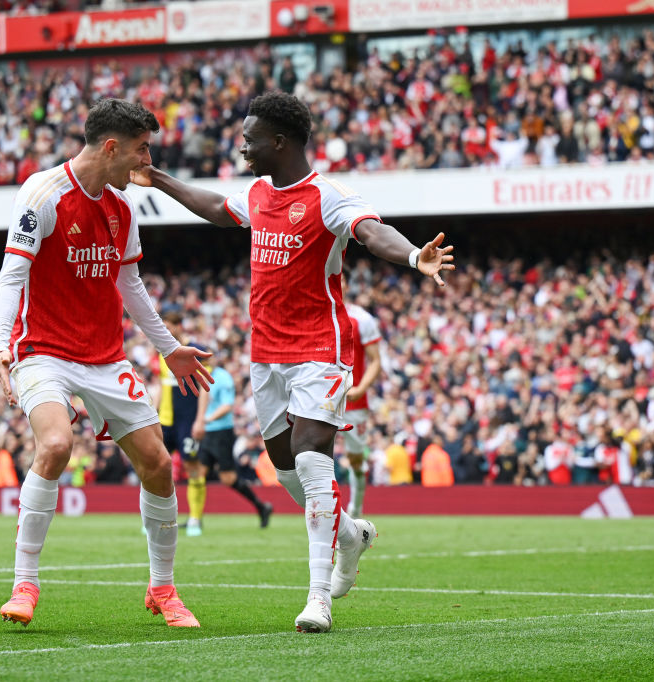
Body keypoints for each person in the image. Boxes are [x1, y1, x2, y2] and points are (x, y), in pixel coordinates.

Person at [133, 90, 454, 633]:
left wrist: (414, 255)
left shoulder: (329, 196)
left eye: (249, 137)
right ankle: (351, 536)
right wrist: (158, 178)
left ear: (278, 142)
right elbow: (216, 208)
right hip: (266, 354)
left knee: (310, 456)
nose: (242, 145)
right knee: (285, 469)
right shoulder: (258, 193)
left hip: (319, 350)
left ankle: (318, 597)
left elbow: (373, 233)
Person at [0, 98, 212, 629]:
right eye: (142, 150)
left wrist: (169, 347)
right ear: (112, 148)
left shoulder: (122, 208)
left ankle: (162, 589)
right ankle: (25, 584)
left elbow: (129, 284)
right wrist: (1, 345)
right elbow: (11, 277)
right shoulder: (41, 194)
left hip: (104, 357)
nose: (147, 161)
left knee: (158, 465)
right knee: (57, 444)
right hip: (41, 349)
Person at [190, 346, 273, 533]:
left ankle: (261, 506)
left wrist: (205, 419)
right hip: (208, 432)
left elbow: (227, 406)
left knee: (228, 478)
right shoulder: (203, 376)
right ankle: (195, 518)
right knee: (197, 474)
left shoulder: (222, 378)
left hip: (221, 432)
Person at [156, 311, 204, 536]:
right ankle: (159, 518)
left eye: (168, 326)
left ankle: (195, 518)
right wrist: (153, 413)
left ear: (178, 325)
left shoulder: (193, 350)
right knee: (158, 467)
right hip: (166, 420)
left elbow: (205, 388)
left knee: (192, 467)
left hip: (188, 419)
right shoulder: (161, 351)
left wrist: (200, 419)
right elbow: (161, 384)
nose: (165, 331)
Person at [340, 276, 382, 518]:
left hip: (354, 400)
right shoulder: (314, 312)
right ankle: (324, 510)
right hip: (321, 398)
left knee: (355, 458)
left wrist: (361, 387)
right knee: (314, 453)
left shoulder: (362, 318)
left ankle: (355, 507)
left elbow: (376, 360)